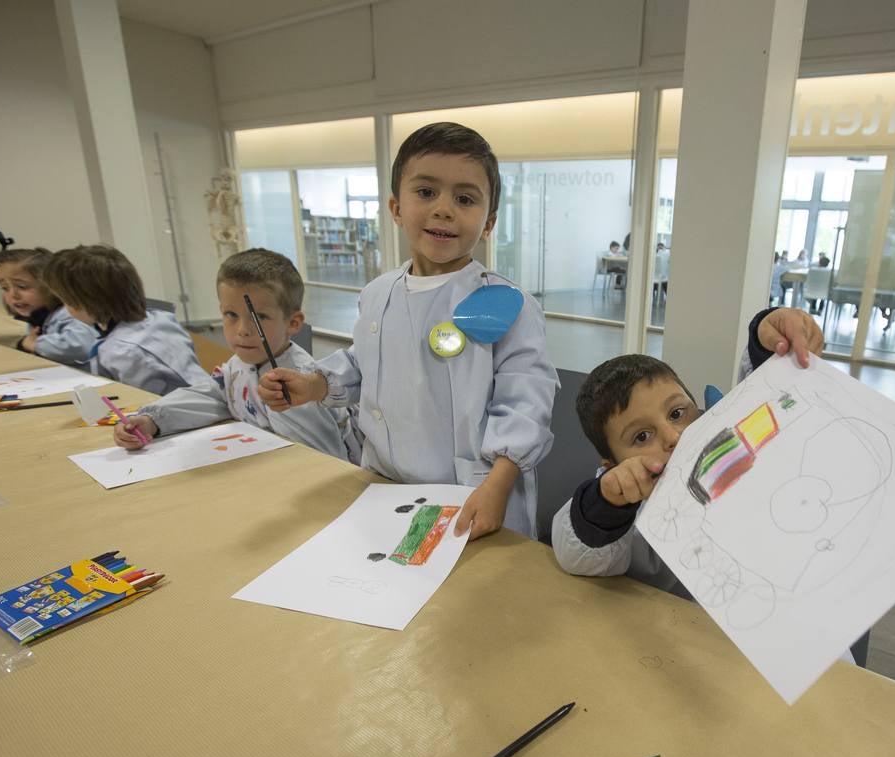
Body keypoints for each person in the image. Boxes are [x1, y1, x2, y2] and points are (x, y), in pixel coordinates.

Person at [258, 122, 559, 540]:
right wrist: (314, 385)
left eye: (465, 198)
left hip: (473, 495)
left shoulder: (507, 304)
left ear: (488, 223)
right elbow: (362, 362)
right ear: (396, 208)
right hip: (385, 484)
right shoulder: (378, 293)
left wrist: (498, 483)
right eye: (426, 192)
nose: (444, 209)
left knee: (470, 598)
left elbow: (524, 403)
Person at [552, 307, 823, 593]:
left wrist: (765, 342)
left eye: (677, 413)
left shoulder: (730, 451)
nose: (673, 436)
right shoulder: (624, 505)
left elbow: (772, 408)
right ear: (611, 465)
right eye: (642, 436)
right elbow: (576, 555)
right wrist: (607, 502)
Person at [110, 249, 357, 462]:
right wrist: (151, 420)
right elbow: (213, 396)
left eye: (260, 317)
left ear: (293, 323)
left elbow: (325, 460)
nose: (243, 331)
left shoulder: (298, 385)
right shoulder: (238, 365)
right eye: (231, 315)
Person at [43, 245, 209, 394]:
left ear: (86, 302)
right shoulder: (159, 319)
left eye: (65, 301)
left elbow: (142, 403)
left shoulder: (122, 351)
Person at [0, 245, 97, 366]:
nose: (13, 295)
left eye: (22, 287)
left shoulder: (69, 314)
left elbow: (82, 345)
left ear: (52, 287)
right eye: (5, 288)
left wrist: (35, 344)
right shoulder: (38, 317)